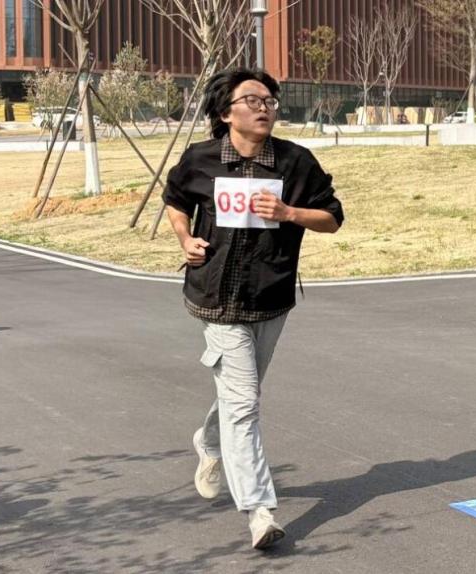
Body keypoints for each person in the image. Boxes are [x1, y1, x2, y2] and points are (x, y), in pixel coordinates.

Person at [162, 69, 344, 550]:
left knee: (242, 395)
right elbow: (175, 200)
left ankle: (210, 440)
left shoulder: (295, 161)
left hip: (270, 296)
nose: (265, 108)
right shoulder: (200, 158)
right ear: (226, 112)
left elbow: (332, 218)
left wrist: (288, 214)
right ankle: (260, 512)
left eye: (270, 101)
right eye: (253, 100)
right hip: (216, 297)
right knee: (244, 404)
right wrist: (185, 238)